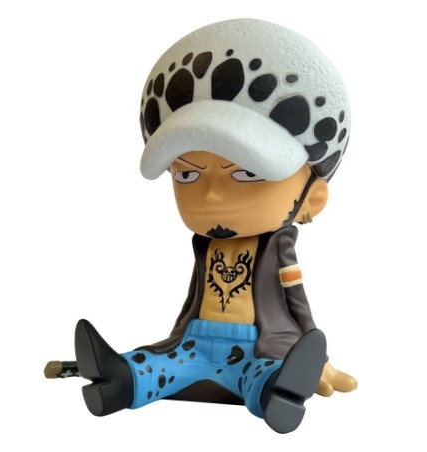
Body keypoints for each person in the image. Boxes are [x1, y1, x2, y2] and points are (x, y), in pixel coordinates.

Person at [69, 18, 358, 434]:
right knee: (157, 365)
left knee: (263, 375)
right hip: (195, 343)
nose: (212, 196)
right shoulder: (204, 246)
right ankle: (120, 380)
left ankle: (278, 391)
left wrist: (315, 352)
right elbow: (194, 297)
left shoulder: (278, 249)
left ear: (311, 199)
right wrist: (172, 341)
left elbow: (296, 300)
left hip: (258, 348)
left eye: (247, 174)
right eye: (187, 174)